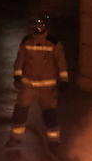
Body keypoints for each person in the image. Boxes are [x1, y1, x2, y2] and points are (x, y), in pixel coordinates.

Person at [9, 14, 69, 147]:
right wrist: (17, 76)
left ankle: (54, 141)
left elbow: (61, 63)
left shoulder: (54, 43)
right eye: (35, 25)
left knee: (50, 115)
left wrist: (64, 80)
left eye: (40, 25)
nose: (38, 28)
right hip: (28, 86)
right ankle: (15, 138)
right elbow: (19, 61)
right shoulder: (27, 42)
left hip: (47, 88)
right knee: (20, 112)